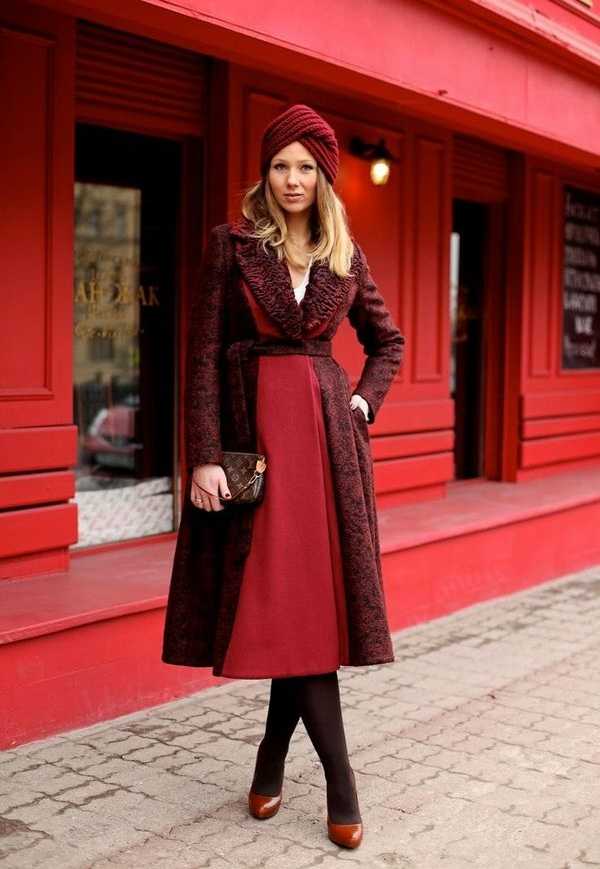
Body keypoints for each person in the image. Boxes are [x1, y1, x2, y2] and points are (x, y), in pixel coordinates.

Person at [161, 103, 405, 849]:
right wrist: (204, 453)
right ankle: (339, 779)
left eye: (304, 167)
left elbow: (387, 343)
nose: (291, 179)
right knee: (280, 606)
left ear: (324, 176)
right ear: (264, 174)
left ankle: (275, 759)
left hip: (326, 454)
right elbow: (204, 352)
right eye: (279, 166)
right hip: (254, 447)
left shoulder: (345, 254)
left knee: (303, 612)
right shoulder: (231, 245)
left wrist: (360, 403)